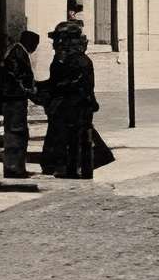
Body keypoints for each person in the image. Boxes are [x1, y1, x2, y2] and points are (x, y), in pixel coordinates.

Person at [39, 18, 110, 179]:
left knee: (76, 140)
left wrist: (50, 90)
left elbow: (71, 84)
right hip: (72, 107)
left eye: (59, 39)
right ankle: (73, 169)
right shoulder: (63, 60)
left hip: (76, 108)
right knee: (75, 139)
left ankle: (76, 169)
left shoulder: (78, 60)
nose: (56, 44)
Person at [0, 26, 41, 180]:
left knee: (19, 133)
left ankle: (17, 167)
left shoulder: (17, 52)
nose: (35, 48)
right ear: (29, 43)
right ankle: (14, 168)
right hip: (14, 100)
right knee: (16, 133)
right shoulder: (18, 53)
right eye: (35, 45)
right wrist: (29, 92)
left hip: (15, 99)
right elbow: (16, 78)